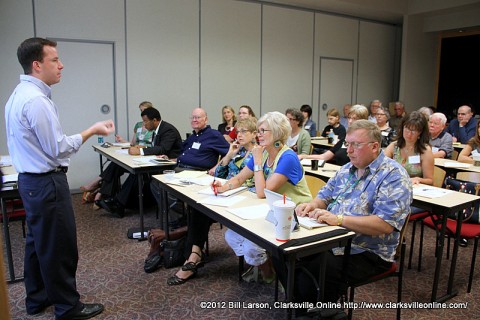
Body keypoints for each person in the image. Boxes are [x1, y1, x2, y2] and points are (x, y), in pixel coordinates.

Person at [4, 37, 114, 319]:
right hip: (47, 184)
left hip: (30, 183)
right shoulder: (37, 101)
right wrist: (91, 130)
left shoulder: (17, 95)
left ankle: (37, 298)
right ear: (37, 65)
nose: (61, 65)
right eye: (55, 60)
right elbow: (59, 148)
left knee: (37, 244)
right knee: (59, 247)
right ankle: (68, 307)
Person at [292, 120, 412, 315]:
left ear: (374, 147)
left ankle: (318, 311)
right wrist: (311, 205)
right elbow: (325, 196)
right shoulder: (348, 168)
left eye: (355, 144)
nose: (348, 150)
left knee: (318, 265)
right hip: (333, 238)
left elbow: (384, 225)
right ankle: (303, 306)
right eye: (347, 144)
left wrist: (339, 219)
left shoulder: (394, 176)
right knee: (286, 253)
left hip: (368, 250)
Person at [213, 111, 312, 284]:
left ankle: (271, 274)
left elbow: (261, 191)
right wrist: (223, 188)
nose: (258, 135)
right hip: (272, 210)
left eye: (262, 131)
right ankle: (270, 267)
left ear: (277, 133)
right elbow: (240, 178)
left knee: (252, 245)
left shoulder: (287, 157)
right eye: (258, 130)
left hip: (296, 214)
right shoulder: (263, 152)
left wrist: (257, 161)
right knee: (232, 236)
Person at [95, 107, 183, 216]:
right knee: (117, 164)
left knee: (137, 172)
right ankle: (107, 195)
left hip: (167, 165)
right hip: (156, 160)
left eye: (146, 121)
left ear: (155, 120)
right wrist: (140, 148)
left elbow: (163, 149)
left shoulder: (168, 130)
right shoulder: (157, 129)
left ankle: (118, 204)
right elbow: (156, 147)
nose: (144, 124)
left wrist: (140, 150)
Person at [80, 101, 155, 204]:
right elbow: (132, 143)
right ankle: (100, 194)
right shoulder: (138, 125)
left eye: (144, 110)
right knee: (116, 163)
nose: (142, 112)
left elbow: (154, 146)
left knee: (115, 167)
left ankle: (98, 189)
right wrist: (122, 140)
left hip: (145, 155)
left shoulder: (153, 126)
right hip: (135, 152)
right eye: (141, 110)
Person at [298, 104, 369, 166]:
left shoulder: (367, 141)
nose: (350, 121)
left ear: (363, 120)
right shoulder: (345, 139)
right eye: (349, 118)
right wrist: (302, 156)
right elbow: (324, 157)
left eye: (354, 118)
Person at [384, 111, 434, 186]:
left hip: (414, 189)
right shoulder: (394, 146)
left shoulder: (425, 150)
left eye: (413, 131)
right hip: (394, 186)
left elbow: (430, 180)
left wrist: (418, 179)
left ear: (420, 132)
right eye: (407, 128)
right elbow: (380, 167)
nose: (409, 133)